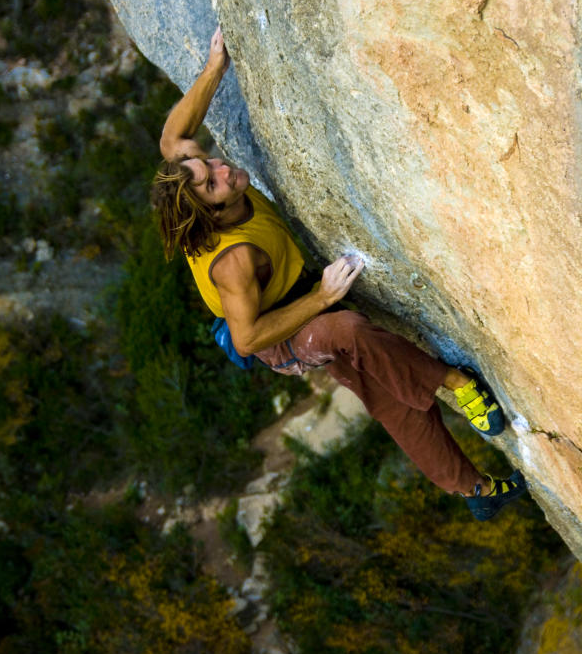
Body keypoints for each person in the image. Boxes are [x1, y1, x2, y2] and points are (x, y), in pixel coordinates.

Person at [151, 27, 526, 521]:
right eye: (214, 184)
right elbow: (247, 338)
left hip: (295, 295)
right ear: (211, 215)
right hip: (278, 330)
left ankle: (475, 491)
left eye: (210, 164)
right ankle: (457, 382)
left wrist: (215, 65)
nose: (222, 169)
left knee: (392, 399)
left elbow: (172, 137)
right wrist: (323, 298)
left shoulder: (189, 172)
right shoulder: (233, 261)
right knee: (345, 332)